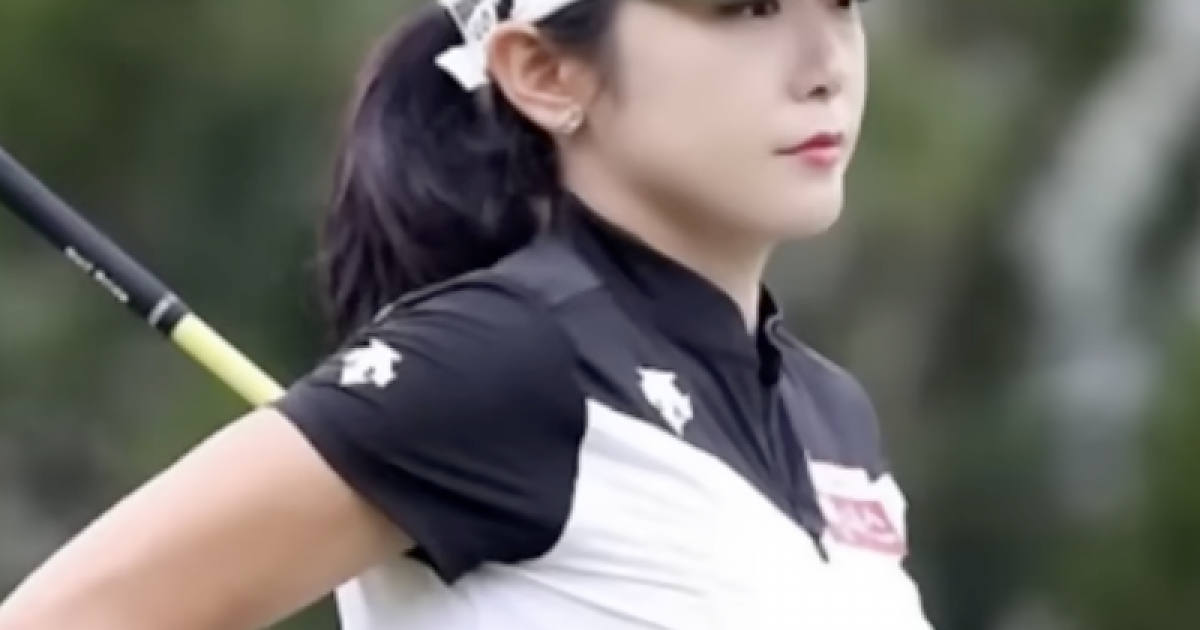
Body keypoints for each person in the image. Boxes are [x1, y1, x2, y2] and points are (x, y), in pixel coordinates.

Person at [0, 0, 934, 628]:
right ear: (546, 73)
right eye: (747, 8)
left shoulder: (831, 413)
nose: (824, 67)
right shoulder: (501, 363)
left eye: (840, 3)